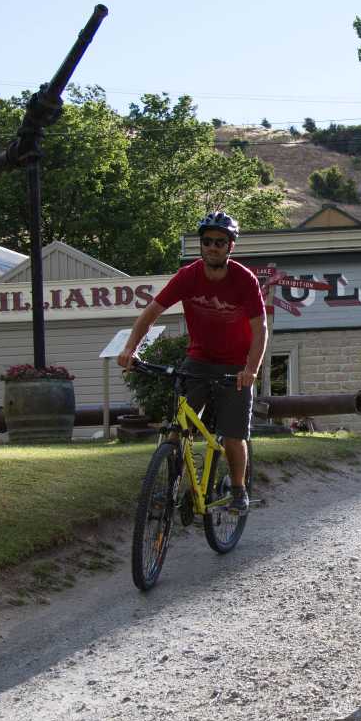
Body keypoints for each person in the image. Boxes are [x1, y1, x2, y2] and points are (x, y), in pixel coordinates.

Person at [116, 211, 267, 513]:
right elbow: (151, 313)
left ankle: (238, 490)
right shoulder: (188, 276)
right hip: (198, 360)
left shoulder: (243, 280)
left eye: (220, 242)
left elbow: (260, 328)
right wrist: (130, 348)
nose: (213, 247)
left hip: (235, 367)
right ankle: (169, 486)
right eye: (208, 241)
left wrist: (251, 369)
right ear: (201, 245)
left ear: (230, 247)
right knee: (178, 427)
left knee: (234, 436)